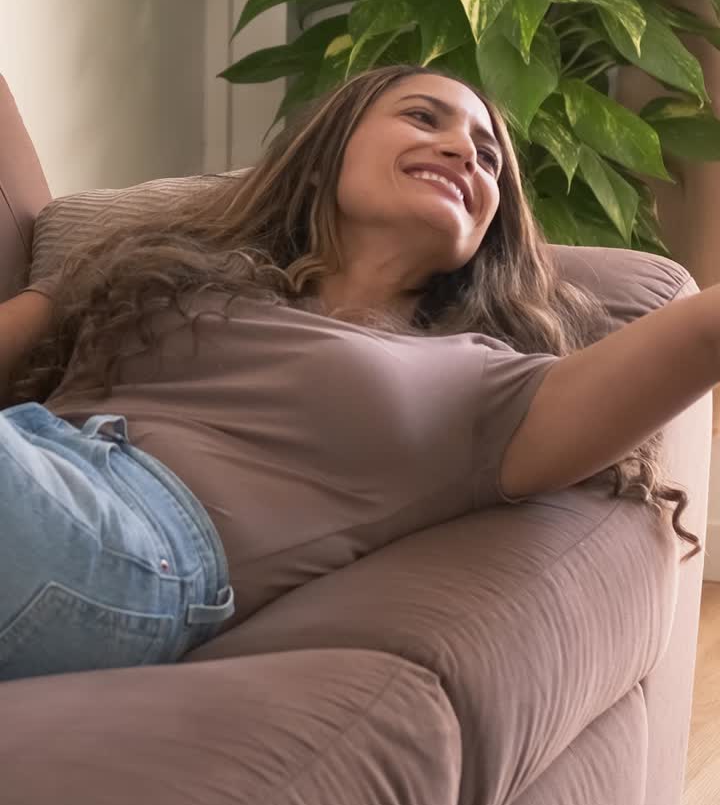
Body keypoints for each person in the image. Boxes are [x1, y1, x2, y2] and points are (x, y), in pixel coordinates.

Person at [0, 63, 711, 683]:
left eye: (489, 158)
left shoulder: (481, 384)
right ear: (326, 156)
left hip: (133, 551)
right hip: (31, 459)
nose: (464, 148)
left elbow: (704, 331)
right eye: (422, 116)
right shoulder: (159, 270)